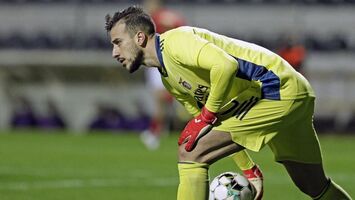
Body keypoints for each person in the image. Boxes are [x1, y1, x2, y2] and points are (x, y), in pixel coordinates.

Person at [104, 6, 352, 200]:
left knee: (191, 153)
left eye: (117, 42)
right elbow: (212, 125)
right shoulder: (169, 78)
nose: (114, 52)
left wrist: (206, 116)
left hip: (275, 89)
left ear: (139, 37)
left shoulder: (176, 42)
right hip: (291, 92)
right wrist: (249, 169)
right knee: (314, 186)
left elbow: (225, 66)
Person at [140, 0, 186, 150]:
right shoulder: (167, 17)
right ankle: (157, 130)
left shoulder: (157, 18)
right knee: (160, 100)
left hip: (161, 61)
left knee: (160, 99)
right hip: (161, 61)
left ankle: (155, 132)